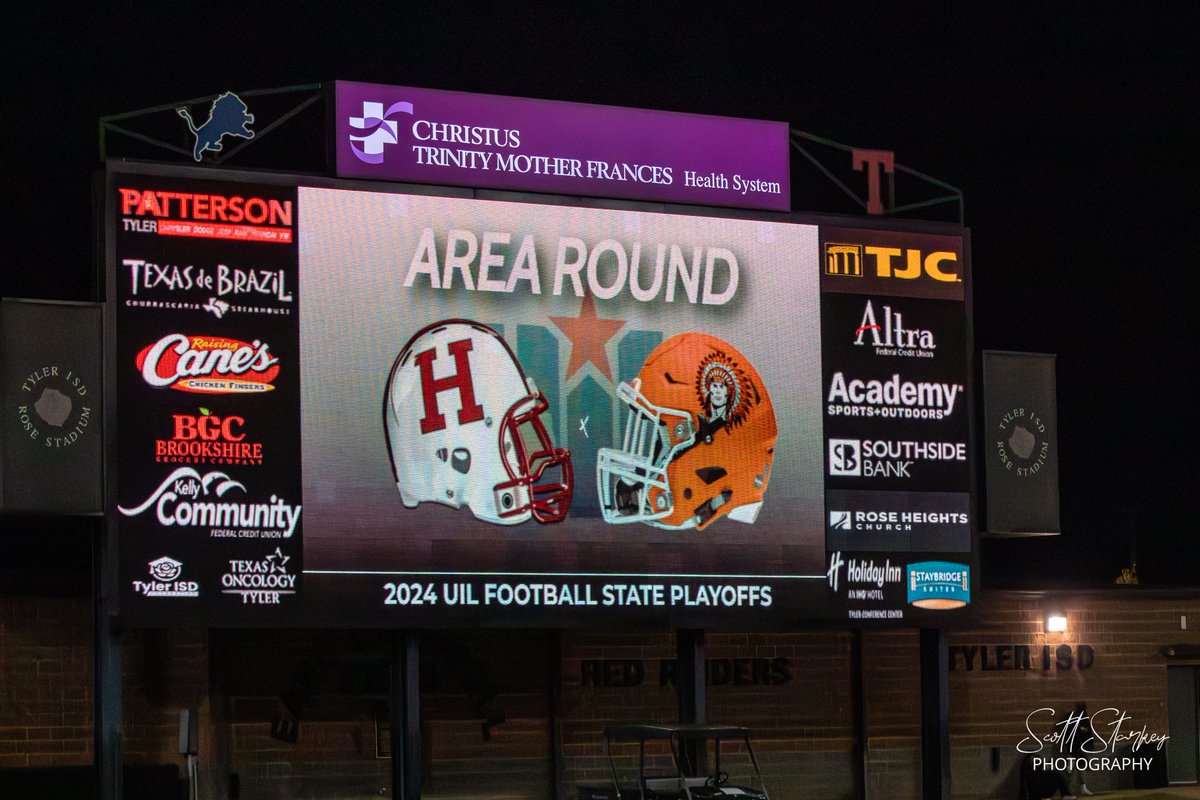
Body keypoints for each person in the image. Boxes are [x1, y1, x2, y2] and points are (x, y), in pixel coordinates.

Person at [1061, 702, 1095, 797]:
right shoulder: (1077, 718)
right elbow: (1083, 734)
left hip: (1079, 747)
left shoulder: (1081, 718)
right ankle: (1074, 790)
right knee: (1080, 767)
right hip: (1078, 747)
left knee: (1081, 767)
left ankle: (1081, 787)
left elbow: (1087, 733)